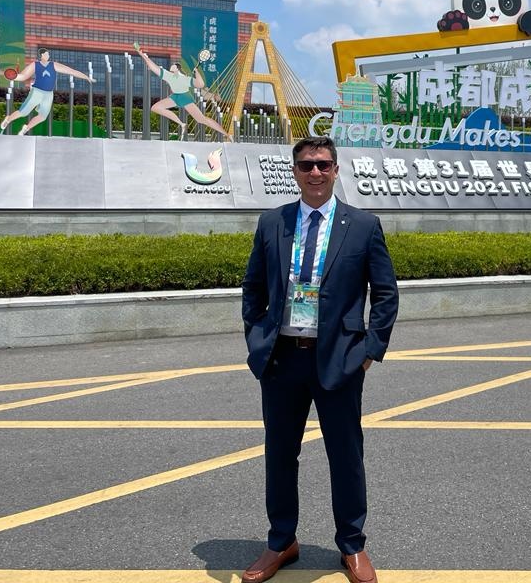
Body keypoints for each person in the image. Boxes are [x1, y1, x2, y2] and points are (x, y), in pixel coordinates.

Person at [241, 135, 398, 583]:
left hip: (339, 361)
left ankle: (352, 545)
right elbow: (253, 287)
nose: (315, 172)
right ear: (294, 171)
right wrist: (256, 337)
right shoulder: (272, 222)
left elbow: (385, 294)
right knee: (280, 455)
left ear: (335, 170)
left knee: (345, 456)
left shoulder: (362, 225)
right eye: (307, 165)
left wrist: (369, 352)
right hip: (282, 360)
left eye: (323, 165)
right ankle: (281, 541)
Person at [132, 43, 228, 141]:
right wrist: (142, 55)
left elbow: (200, 84)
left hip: (185, 97)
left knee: (201, 119)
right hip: (175, 97)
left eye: (173, 66)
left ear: (178, 69)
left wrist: (197, 72)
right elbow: (154, 67)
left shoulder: (185, 78)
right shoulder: (169, 76)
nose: (171, 66)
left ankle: (227, 135)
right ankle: (182, 124)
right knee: (156, 107)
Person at [0, 48, 92, 135]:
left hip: (48, 94)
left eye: (48, 54)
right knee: (23, 112)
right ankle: (8, 119)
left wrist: (86, 77)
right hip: (37, 92)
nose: (48, 55)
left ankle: (26, 128)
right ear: (41, 55)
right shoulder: (35, 65)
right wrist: (14, 77)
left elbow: (71, 71)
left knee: (42, 117)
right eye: (46, 54)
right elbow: (23, 76)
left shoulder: (53, 65)